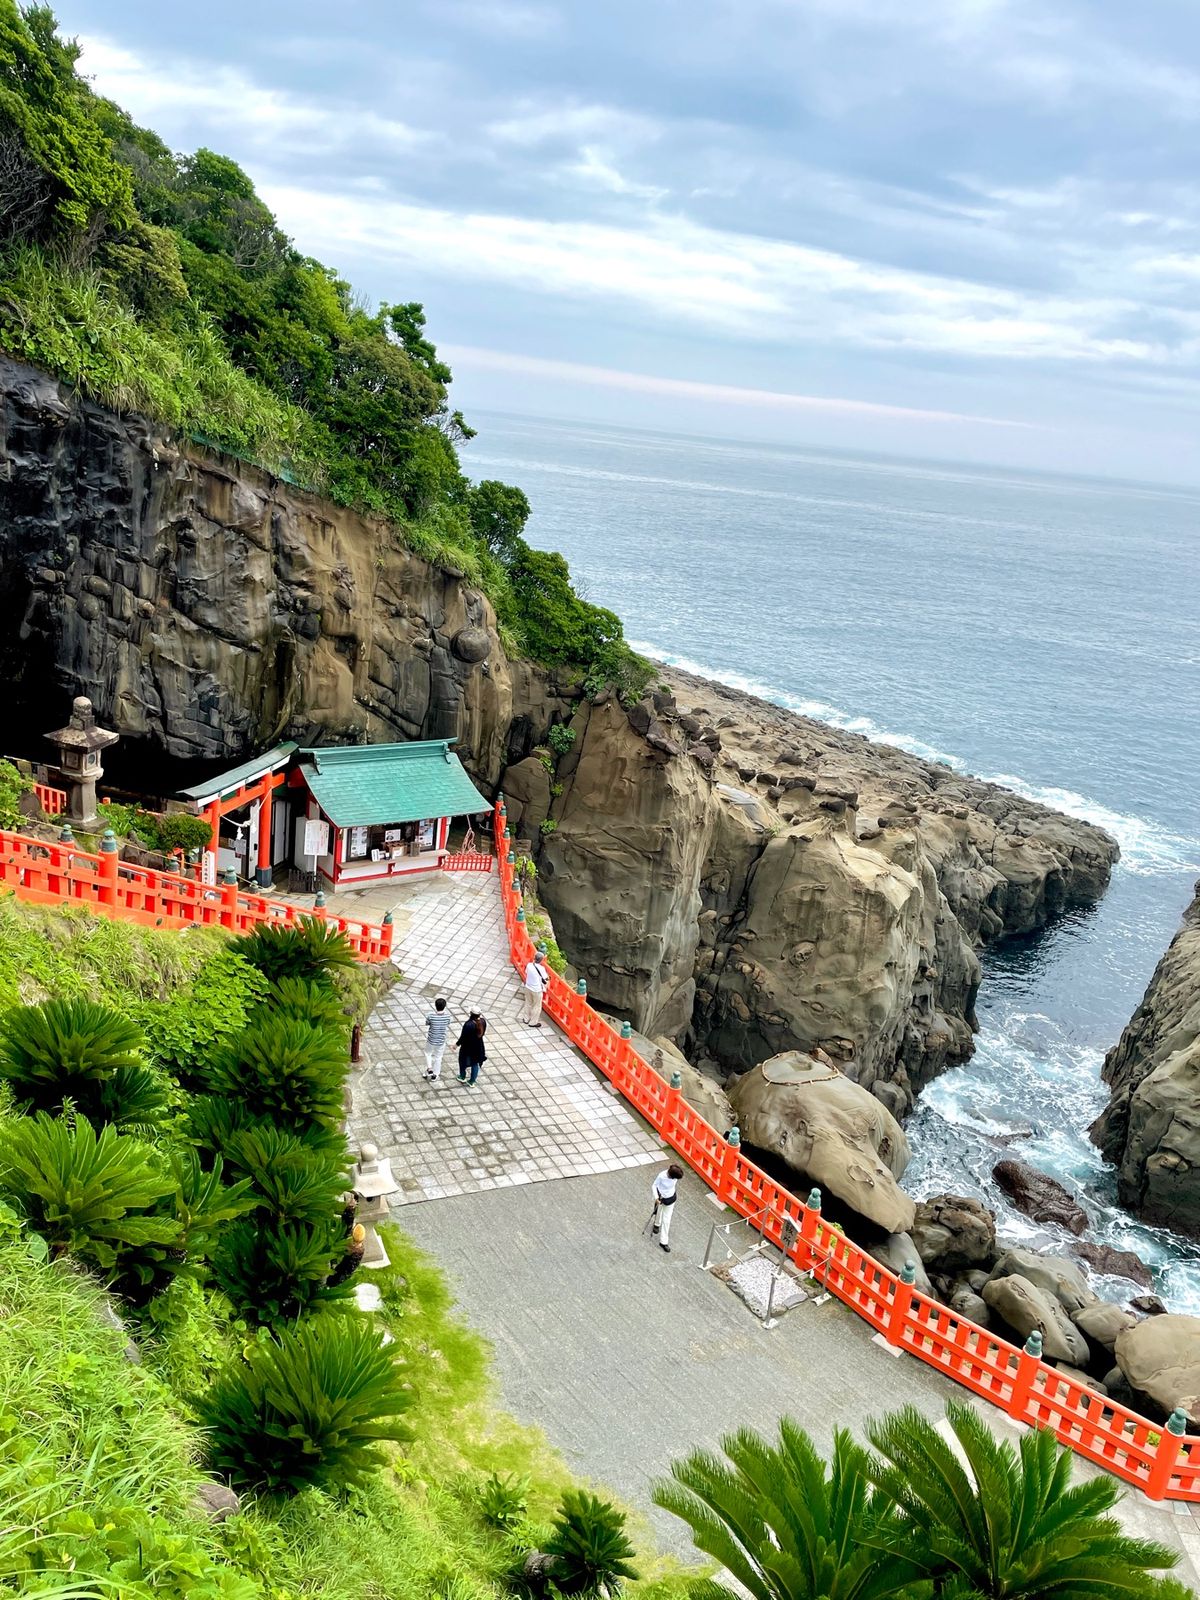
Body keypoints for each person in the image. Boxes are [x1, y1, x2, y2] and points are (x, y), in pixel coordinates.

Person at [650, 1163, 685, 1252]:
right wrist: (656, 1197)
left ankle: (664, 1242)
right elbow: (654, 1185)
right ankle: (657, 1224)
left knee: (667, 1220)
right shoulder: (661, 1176)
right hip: (661, 1197)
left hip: (671, 1198)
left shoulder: (675, 1177)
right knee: (659, 1212)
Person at [423, 997, 452, 1082]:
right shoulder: (447, 1016)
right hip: (441, 1040)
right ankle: (435, 1075)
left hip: (431, 1039)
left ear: (435, 1006)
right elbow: (448, 1023)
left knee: (428, 1053)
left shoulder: (431, 1016)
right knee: (438, 1057)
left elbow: (427, 1023)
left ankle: (429, 1068)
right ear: (444, 1006)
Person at [456, 1011, 487, 1087]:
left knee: (462, 1061)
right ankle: (472, 1081)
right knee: (475, 1063)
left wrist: (456, 1045)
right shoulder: (483, 1021)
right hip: (478, 1046)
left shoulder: (469, 1024)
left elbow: (463, 1037)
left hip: (467, 1047)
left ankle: (462, 1076)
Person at [522, 947, 550, 1027]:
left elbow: (526, 972)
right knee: (536, 1006)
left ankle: (526, 1018)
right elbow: (545, 978)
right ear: (541, 960)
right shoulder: (542, 968)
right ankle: (533, 1022)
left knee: (528, 1002)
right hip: (536, 989)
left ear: (534, 958)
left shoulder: (529, 965)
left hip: (528, 986)